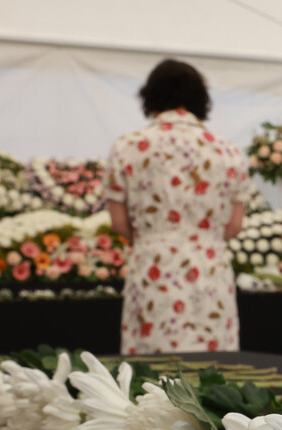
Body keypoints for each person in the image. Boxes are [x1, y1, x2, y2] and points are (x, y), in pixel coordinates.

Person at [104, 59, 250, 355]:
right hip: (210, 272)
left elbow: (118, 223)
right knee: (214, 370)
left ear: (150, 97)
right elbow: (234, 226)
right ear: (201, 99)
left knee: (150, 371)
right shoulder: (227, 151)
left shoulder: (127, 146)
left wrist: (153, 238)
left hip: (153, 268)